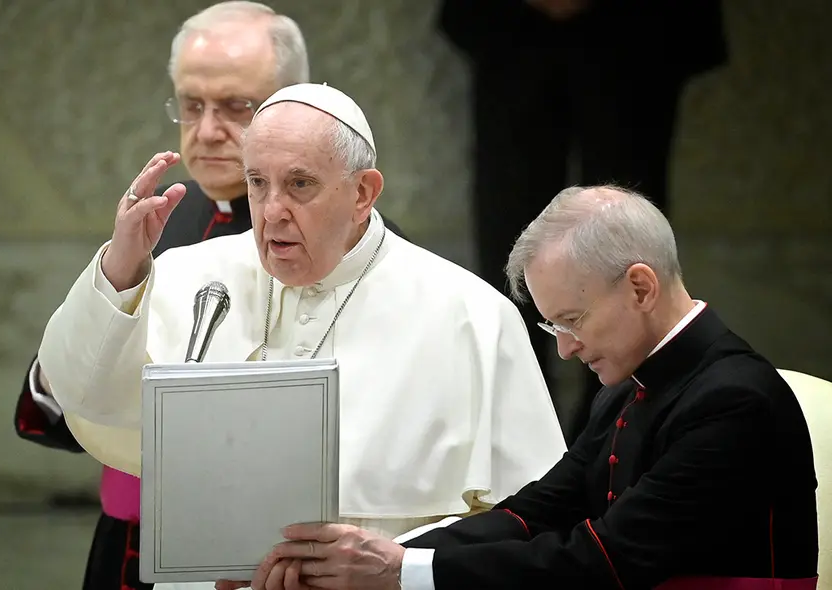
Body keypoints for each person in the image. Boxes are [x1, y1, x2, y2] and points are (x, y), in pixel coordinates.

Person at [37, 82, 568, 589]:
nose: (271, 212)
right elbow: (86, 393)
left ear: (363, 192)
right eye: (257, 182)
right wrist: (121, 271)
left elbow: (530, 515)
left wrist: (395, 567)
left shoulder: (470, 314)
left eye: (300, 184)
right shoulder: (186, 277)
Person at [240, 186, 819, 590]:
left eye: (573, 320)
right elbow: (537, 512)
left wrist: (401, 574)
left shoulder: (733, 401)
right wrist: (388, 556)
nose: (564, 347)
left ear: (640, 287)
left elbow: (606, 562)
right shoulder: (624, 385)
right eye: (553, 326)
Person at [13, 4, 404, 589]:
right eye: (191, 106)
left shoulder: (356, 244)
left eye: (236, 106)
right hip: (131, 544)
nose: (209, 129)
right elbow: (57, 404)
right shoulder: (157, 222)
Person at [437, 0, 728, 444]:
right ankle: (519, 430)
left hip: (637, 29)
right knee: (511, 239)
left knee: (627, 225)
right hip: (513, 29)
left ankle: (625, 425)